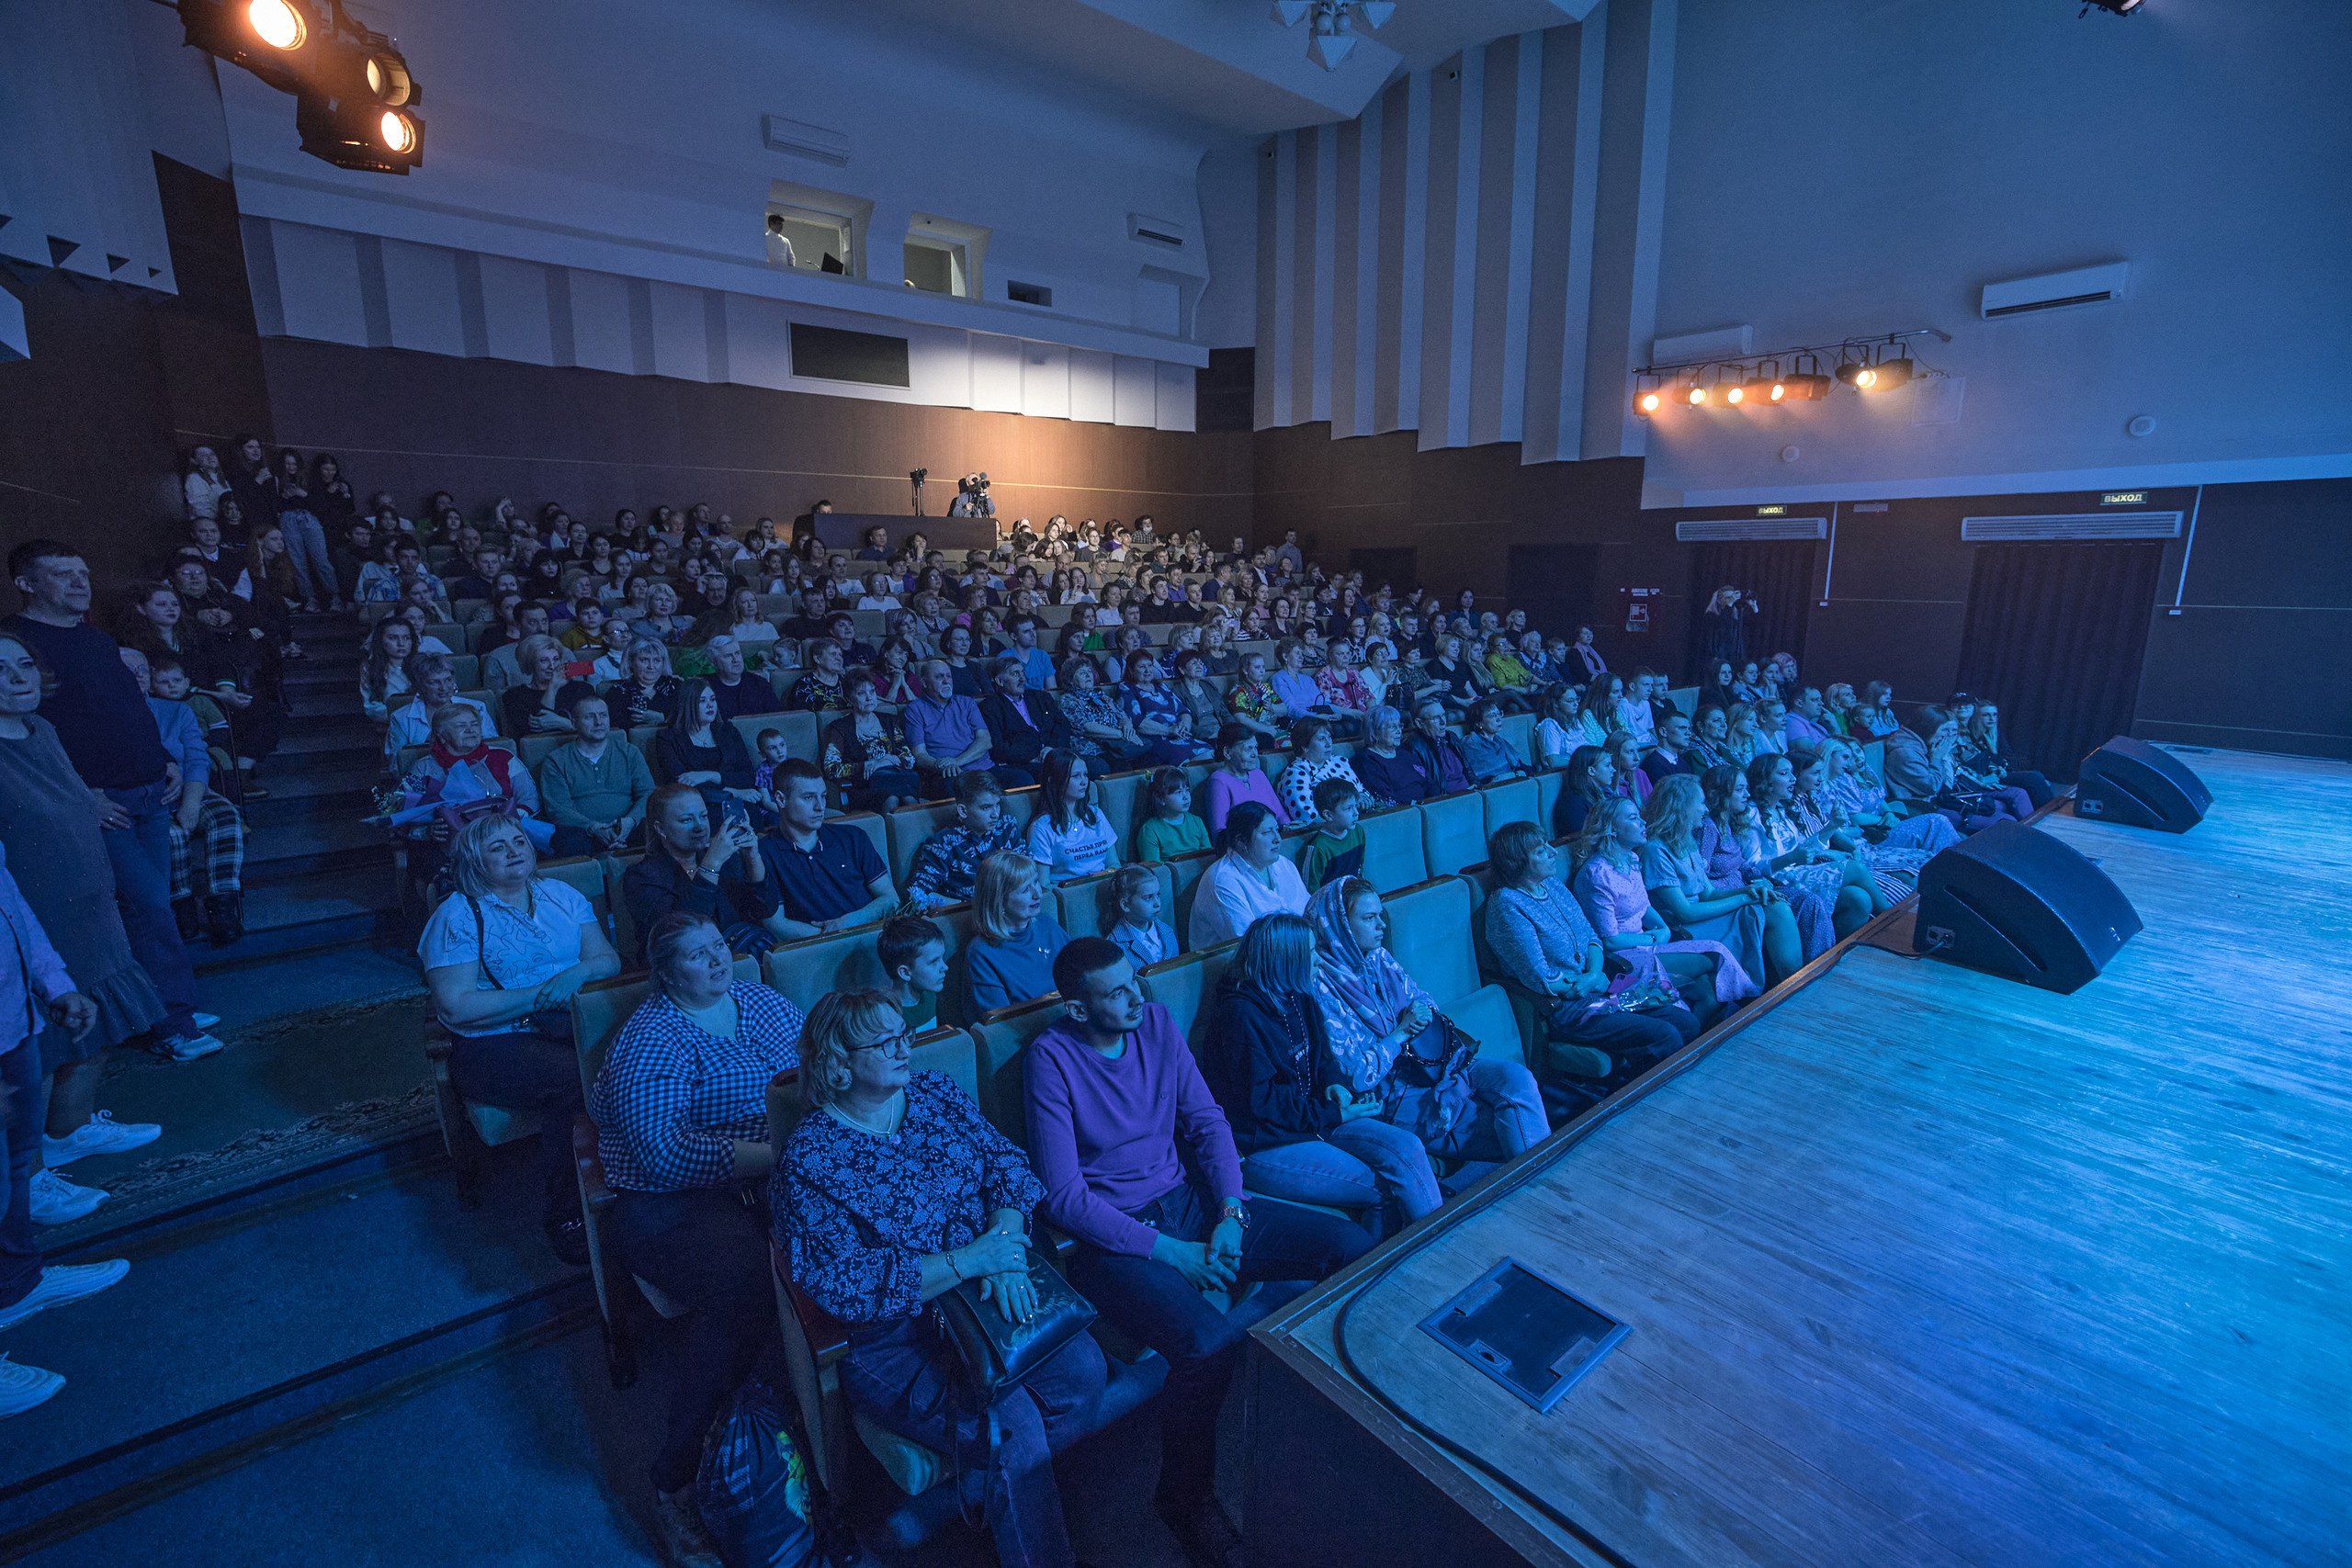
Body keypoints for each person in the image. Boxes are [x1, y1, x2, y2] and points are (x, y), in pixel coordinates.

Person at [1026, 938, 1367, 1564]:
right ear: (1078, 1009)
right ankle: (1183, 1498)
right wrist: (1174, 1254)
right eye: (1118, 991)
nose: (1138, 996)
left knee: (1349, 1244)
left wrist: (1231, 1212)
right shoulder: (1051, 1057)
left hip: (1191, 1201)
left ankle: (1339, 1418)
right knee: (1209, 1346)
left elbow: (1207, 1121)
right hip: (1115, 1237)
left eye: (1137, 980)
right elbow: (1065, 1199)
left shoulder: (1153, 1022)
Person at [775, 989, 1103, 1568]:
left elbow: (1006, 1166)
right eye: (886, 1041)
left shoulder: (934, 1093)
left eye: (905, 1033)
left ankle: (1022, 1507)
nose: (906, 1047)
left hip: (984, 1288)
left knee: (1085, 1371)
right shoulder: (811, 1158)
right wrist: (972, 1260)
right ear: (837, 1060)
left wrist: (1002, 1246)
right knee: (1013, 1423)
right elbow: (847, 1284)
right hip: (894, 1337)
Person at [593, 910, 803, 1564]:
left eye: (720, 946)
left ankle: (767, 1438)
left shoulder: (761, 1001)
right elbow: (664, 1156)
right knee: (757, 1293)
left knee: (822, 1268)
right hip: (667, 1205)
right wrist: (778, 1148)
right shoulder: (650, 1040)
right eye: (697, 955)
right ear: (664, 972)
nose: (718, 961)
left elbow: (812, 1070)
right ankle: (677, 1477)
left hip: (766, 1177)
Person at [3, 547, 218, 1062]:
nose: (80, 583)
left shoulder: (97, 639)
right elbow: (38, 738)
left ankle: (156, 1004)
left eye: (84, 573)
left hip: (147, 791)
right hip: (99, 805)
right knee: (147, 906)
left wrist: (163, 756)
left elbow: (127, 709)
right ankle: (171, 1021)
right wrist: (85, 796)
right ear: (25, 583)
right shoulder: (18, 644)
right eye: (63, 575)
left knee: (152, 904)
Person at [419, 816, 620, 1262]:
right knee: (577, 1080)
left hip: (570, 1023)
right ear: (474, 861)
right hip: (492, 1043)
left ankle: (638, 1177)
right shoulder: (457, 915)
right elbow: (455, 1005)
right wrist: (542, 995)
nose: (515, 851)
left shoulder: (562, 896)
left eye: (519, 841)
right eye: (498, 847)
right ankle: (569, 1212)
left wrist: (578, 972)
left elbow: (607, 960)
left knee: (635, 1058)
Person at [1306, 880, 1551, 1199]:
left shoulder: (1379, 958)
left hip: (1435, 1064)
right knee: (1514, 1127)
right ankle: (1538, 1197)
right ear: (1338, 924)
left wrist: (1415, 1015)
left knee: (1516, 1078)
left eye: (1379, 915)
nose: (1381, 925)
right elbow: (1355, 1073)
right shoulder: (1320, 984)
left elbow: (1424, 1001)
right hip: (1394, 1092)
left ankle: (1537, 1189)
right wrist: (1401, 1032)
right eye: (1368, 918)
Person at [1481, 822, 1697, 1089]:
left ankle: (1639, 1081)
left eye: (1548, 845)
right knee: (1664, 1035)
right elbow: (1538, 976)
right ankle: (1641, 1099)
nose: (1552, 852)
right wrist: (1587, 984)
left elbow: (1592, 938)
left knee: (1686, 1022)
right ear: (1517, 862)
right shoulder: (1507, 904)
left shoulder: (1554, 886)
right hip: (1569, 1007)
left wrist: (1594, 975)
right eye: (1540, 851)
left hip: (1599, 988)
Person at [1571, 796, 1757, 1019]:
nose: (1643, 823)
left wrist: (1663, 930)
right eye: (1632, 818)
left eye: (1640, 816)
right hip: (1621, 960)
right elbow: (1610, 940)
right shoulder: (1597, 873)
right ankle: (1756, 1007)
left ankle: (1704, 1042)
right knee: (1715, 952)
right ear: (1611, 829)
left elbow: (1645, 907)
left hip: (1647, 945)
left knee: (1709, 990)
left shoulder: (1629, 859)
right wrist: (1653, 938)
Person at [124, 647, 247, 947]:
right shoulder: (109, 716)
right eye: (130, 670)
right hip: (152, 797)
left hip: (192, 789)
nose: (138, 676)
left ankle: (222, 905)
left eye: (143, 669)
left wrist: (191, 801)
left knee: (226, 818)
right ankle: (182, 906)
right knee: (173, 836)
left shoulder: (177, 711)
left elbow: (196, 757)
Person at [1638, 774, 1777, 985]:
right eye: (1701, 803)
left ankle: (1791, 982)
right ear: (1682, 807)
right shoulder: (1655, 851)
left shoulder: (1687, 842)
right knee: (1763, 912)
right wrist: (1743, 900)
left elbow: (1709, 893)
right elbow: (1685, 912)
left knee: (1774, 906)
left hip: (1704, 916)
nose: (1705, 810)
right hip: (1687, 927)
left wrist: (1748, 891)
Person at [620, 784, 779, 964]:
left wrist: (752, 858)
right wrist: (712, 865)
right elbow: (683, 934)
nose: (700, 827)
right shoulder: (641, 876)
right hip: (681, 970)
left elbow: (764, 909)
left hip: (736, 961)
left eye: (703, 817)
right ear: (660, 828)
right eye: (687, 820)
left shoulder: (726, 860)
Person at [759, 760, 894, 940]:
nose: (820, 806)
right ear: (781, 799)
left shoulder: (853, 837)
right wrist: (831, 937)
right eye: (808, 798)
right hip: (813, 951)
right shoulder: (765, 852)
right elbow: (775, 924)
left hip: (870, 938)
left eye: (823, 796)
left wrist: (849, 923)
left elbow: (891, 899)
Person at [535, 694, 654, 854]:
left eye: (603, 715)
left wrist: (630, 821)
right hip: (583, 833)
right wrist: (594, 828)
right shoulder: (556, 761)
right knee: (567, 841)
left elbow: (648, 793)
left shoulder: (629, 752)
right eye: (589, 717)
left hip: (629, 827)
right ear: (573, 723)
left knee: (663, 829)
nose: (598, 722)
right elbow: (558, 809)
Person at [1188, 801, 1307, 949]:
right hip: (1246, 965)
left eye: (1276, 830)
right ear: (1241, 841)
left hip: (1297, 951)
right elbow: (1250, 946)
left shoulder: (1283, 864)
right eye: (1267, 832)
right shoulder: (1222, 880)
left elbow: (1308, 913)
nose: (1277, 838)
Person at [963, 851, 1069, 1017]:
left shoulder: (1046, 925)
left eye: (1036, 882)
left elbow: (1080, 975)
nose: (1038, 894)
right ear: (999, 901)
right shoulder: (982, 953)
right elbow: (1000, 1025)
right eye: (1026, 890)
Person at [820, 671, 919, 813]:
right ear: (849, 699)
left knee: (905, 796)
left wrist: (881, 762)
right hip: (864, 786)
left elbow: (909, 758)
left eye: (872, 692)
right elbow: (831, 769)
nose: (869, 698)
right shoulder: (841, 728)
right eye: (861, 693)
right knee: (896, 797)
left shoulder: (889, 721)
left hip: (895, 778)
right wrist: (865, 765)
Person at [1025, 750, 1119, 882]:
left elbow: (1114, 864)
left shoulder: (1096, 814)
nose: (1084, 781)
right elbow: (1043, 885)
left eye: (1085, 775)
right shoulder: (1042, 826)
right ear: (1053, 781)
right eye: (1076, 776)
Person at [978, 654, 1069, 775]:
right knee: (1056, 772)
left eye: (1022, 673)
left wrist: (1052, 749)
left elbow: (1062, 724)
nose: (1022, 679)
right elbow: (998, 747)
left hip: (1054, 753)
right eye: (1016, 674)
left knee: (1087, 765)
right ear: (1000, 681)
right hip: (1022, 763)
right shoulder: (990, 707)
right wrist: (1034, 755)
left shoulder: (1041, 697)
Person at [500, 635, 596, 740]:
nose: (552, 666)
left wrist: (564, 723)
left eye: (555, 659)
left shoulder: (583, 689)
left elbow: (596, 728)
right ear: (530, 663)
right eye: (544, 660)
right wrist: (552, 688)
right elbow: (536, 735)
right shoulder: (514, 696)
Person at [1201, 724, 1287, 838]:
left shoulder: (1258, 774)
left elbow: (1281, 815)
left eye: (1255, 747)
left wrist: (1289, 827)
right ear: (1227, 752)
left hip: (1274, 839)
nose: (1255, 754)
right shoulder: (1219, 781)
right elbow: (1220, 833)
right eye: (1248, 749)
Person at [1272, 716, 1361, 823]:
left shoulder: (1340, 762)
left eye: (1329, 737)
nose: (1329, 743)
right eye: (1322, 739)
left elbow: (1362, 793)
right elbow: (1308, 817)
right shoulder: (1295, 773)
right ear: (1304, 746)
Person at [1101, 863, 1175, 972]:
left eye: (1158, 895)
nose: (1157, 903)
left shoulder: (1166, 931)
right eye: (1148, 898)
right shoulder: (1115, 946)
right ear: (1126, 905)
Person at [876, 916, 947, 1031]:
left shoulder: (931, 996)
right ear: (905, 972)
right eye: (934, 961)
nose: (945, 967)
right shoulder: (886, 1016)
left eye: (942, 958)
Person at [1298, 776, 1364, 891]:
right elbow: (1310, 890)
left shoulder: (1358, 831)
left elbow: (1359, 869)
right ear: (1328, 815)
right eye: (1348, 808)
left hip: (1353, 896)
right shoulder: (1318, 847)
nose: (1355, 813)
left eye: (1355, 806)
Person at [1132, 767, 1207, 864]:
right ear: (1161, 799)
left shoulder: (1196, 821)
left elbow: (1208, 856)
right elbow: (1155, 869)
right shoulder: (1150, 830)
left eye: (1187, 790)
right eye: (1178, 792)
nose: (1185, 797)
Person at [1455, 698, 1527, 785]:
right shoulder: (1471, 743)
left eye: (1499, 714)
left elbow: (1518, 765)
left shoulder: (1498, 740)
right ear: (1479, 724)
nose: (1498, 719)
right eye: (1492, 715)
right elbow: (1484, 778)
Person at [1642, 709, 1699, 788]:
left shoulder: (1683, 764)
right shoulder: (1652, 765)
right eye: (1682, 728)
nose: (1688, 733)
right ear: (1663, 732)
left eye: (1689, 729)